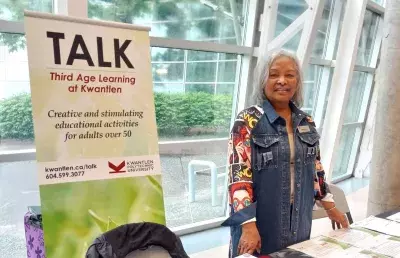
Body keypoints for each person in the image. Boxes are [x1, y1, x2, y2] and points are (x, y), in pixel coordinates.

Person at [221, 50, 349, 257]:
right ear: (263, 80)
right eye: (274, 75)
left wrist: (330, 206)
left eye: (290, 75)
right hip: (260, 223)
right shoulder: (247, 120)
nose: (282, 81)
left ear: (297, 81)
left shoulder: (306, 121)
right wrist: (248, 225)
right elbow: (238, 178)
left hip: (298, 222)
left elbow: (316, 170)